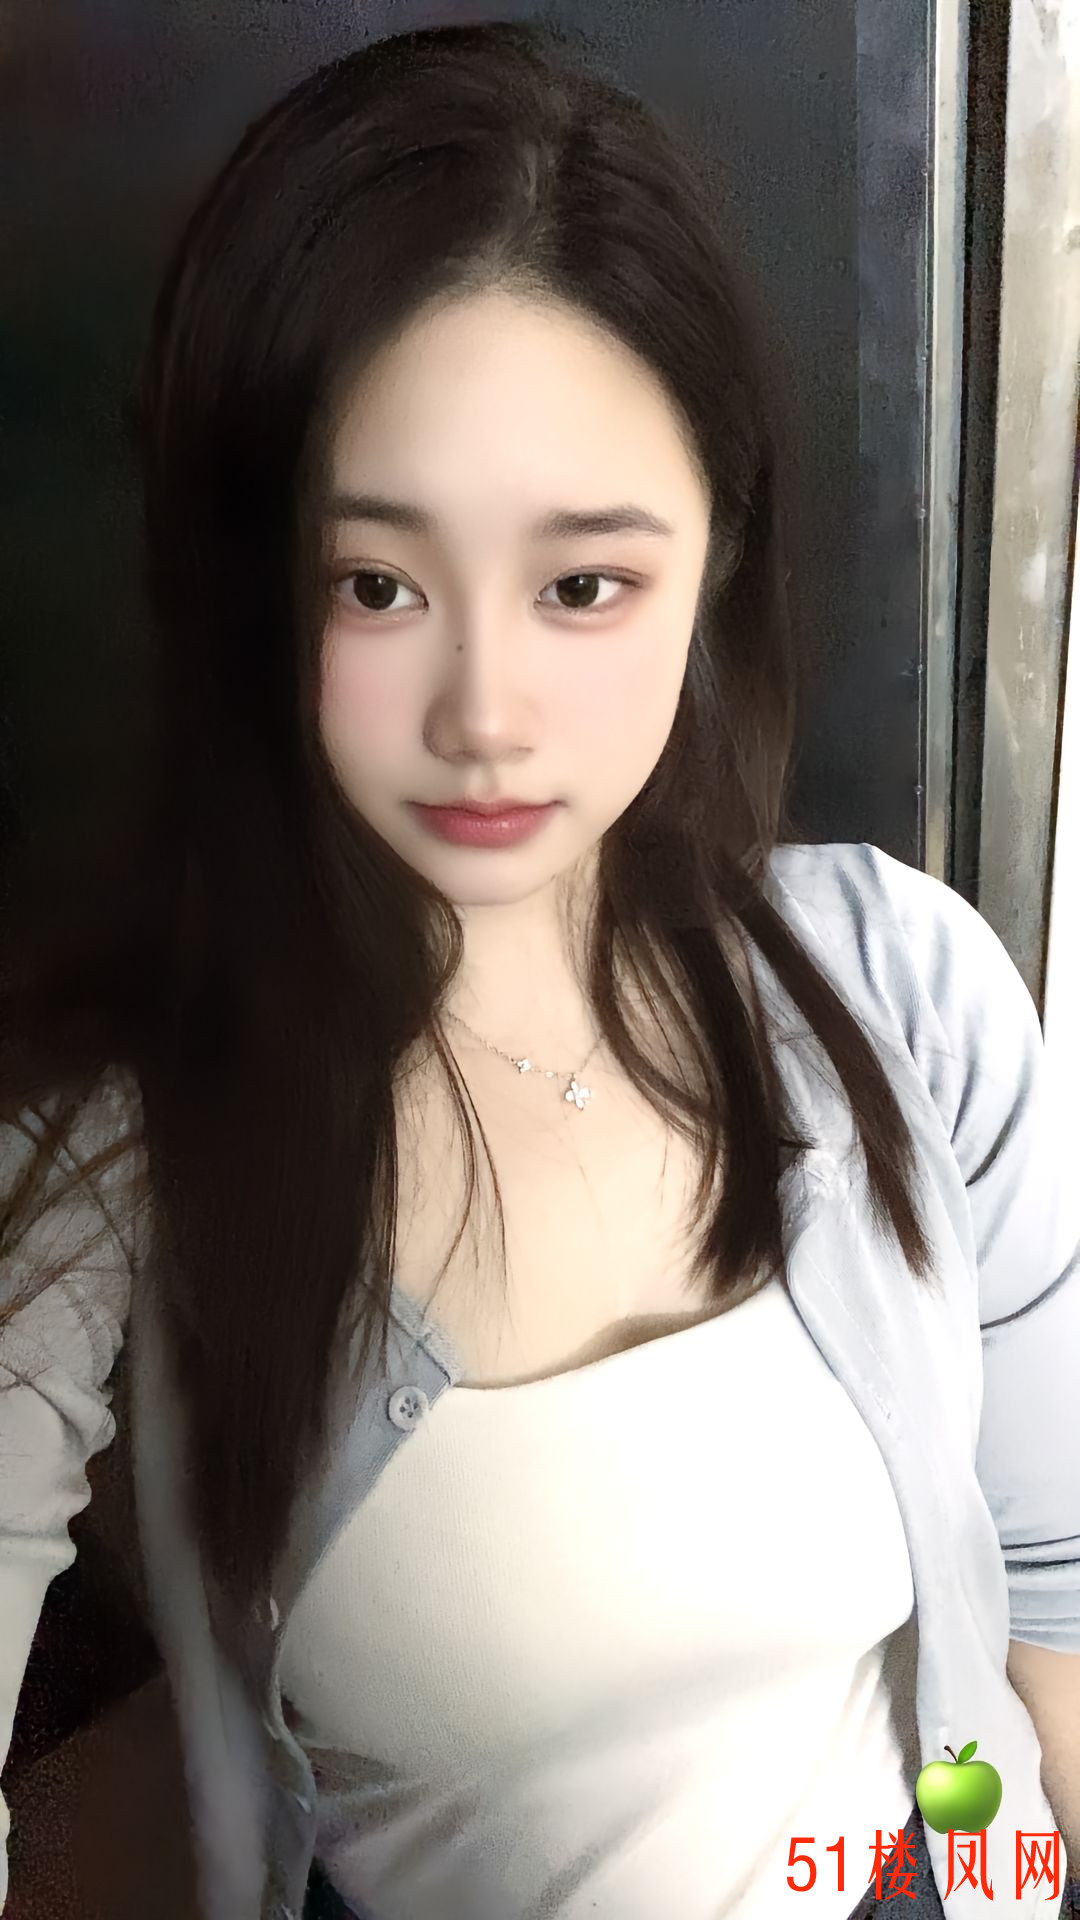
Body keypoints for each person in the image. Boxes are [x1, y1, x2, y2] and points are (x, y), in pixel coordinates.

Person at [0, 18, 1077, 1920]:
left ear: (712, 560)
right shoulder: (115, 1155)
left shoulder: (910, 994)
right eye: (377, 584)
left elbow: (1055, 1591)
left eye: (584, 584)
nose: (485, 714)